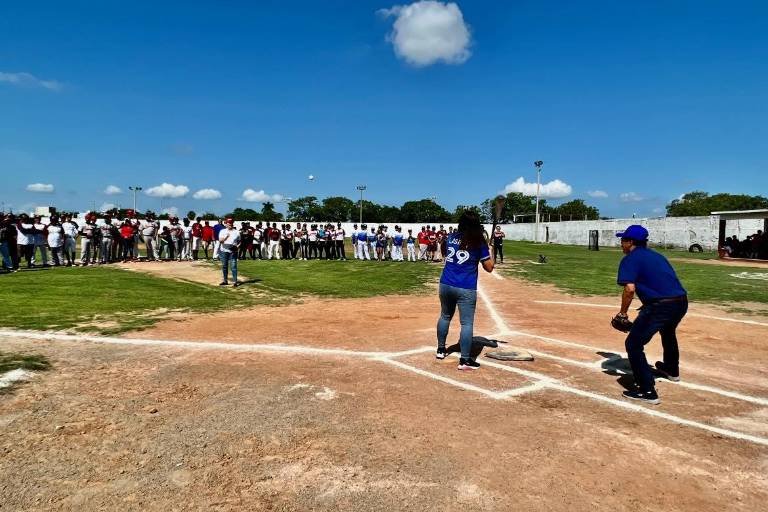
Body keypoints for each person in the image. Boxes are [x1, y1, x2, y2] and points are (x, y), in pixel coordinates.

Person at [614, 225, 688, 405]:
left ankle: (647, 390)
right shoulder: (657, 256)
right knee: (668, 331)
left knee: (633, 343)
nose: (621, 244)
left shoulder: (630, 258)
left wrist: (622, 313)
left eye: (623, 241)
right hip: (681, 302)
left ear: (630, 242)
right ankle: (671, 369)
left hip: (660, 306)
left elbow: (629, 289)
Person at [436, 210, 494, 370]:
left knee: (445, 316)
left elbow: (444, 253)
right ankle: (465, 360)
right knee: (466, 323)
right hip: (465, 287)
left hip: (445, 283)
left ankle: (441, 350)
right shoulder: (478, 242)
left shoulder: (451, 237)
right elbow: (489, 267)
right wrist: (491, 248)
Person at [218, 218, 241, 286]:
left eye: (231, 223)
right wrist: (226, 237)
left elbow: (240, 241)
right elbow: (221, 241)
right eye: (228, 223)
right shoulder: (222, 231)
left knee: (233, 266)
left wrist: (237, 247)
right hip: (224, 250)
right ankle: (225, 281)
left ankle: (235, 282)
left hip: (233, 251)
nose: (230, 224)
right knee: (224, 266)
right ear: (226, 224)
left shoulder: (237, 232)